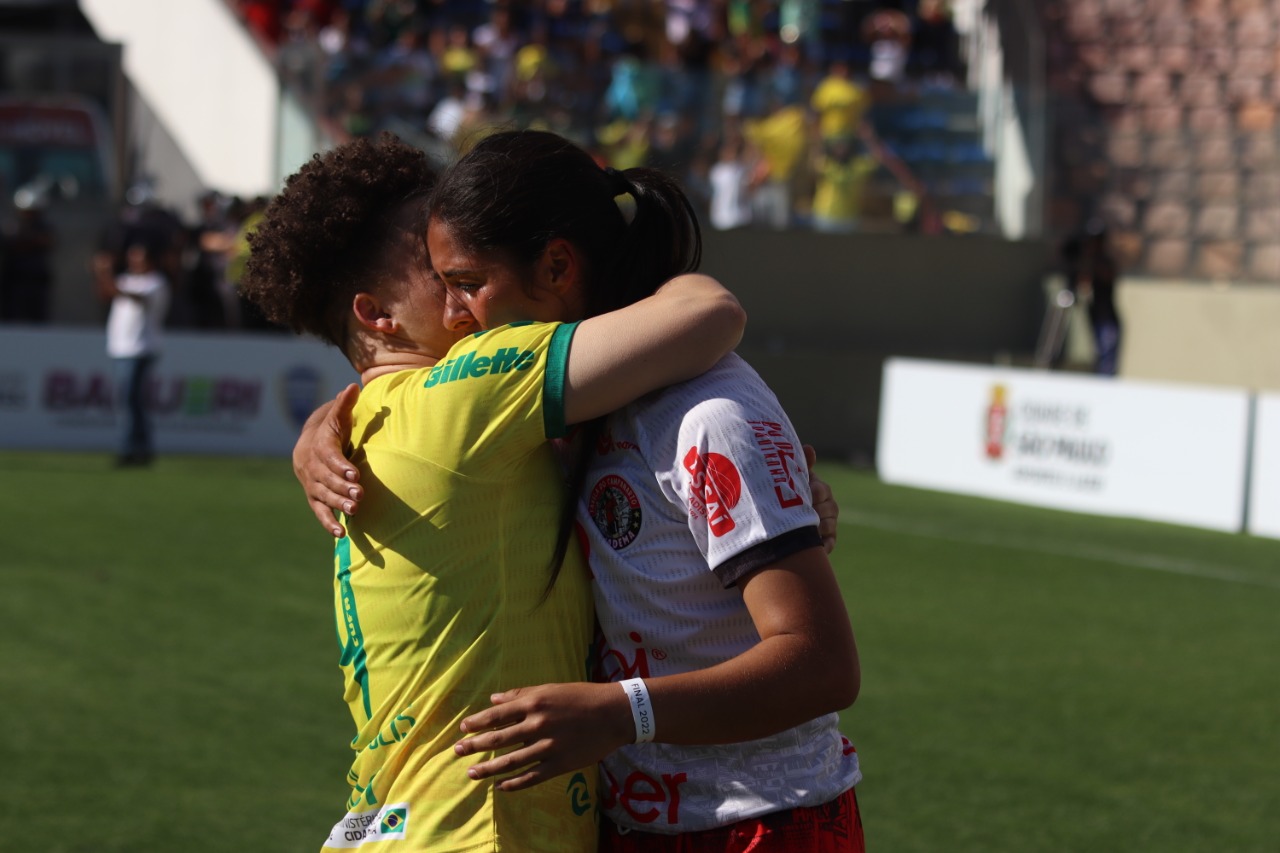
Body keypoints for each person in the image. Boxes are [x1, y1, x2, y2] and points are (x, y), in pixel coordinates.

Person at [298, 130, 864, 852]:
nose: (457, 315)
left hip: (765, 822)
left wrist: (621, 712)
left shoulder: (707, 413)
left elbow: (823, 663)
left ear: (557, 264)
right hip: (628, 822)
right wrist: (328, 419)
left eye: (467, 283)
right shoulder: (561, 419)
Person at [96, 241, 170, 467]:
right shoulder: (127, 279)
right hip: (121, 347)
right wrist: (102, 275)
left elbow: (134, 297)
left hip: (140, 349)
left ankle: (131, 449)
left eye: (139, 257)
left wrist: (105, 271)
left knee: (130, 400)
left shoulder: (156, 282)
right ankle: (140, 449)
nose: (134, 261)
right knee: (130, 401)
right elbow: (107, 292)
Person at [1061, 218, 1122, 376]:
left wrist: (1089, 263)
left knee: (1106, 360)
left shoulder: (1105, 262)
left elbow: (1105, 276)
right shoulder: (1085, 261)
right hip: (1093, 317)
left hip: (1106, 319)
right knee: (1094, 356)